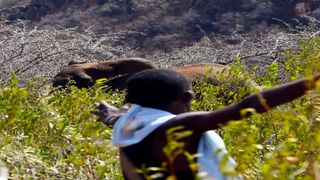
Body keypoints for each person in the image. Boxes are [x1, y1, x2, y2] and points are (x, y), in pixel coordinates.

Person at [92, 69, 320, 180]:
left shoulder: (131, 124)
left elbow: (120, 118)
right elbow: (249, 105)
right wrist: (313, 80)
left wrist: (113, 117)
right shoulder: (177, 128)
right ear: (187, 97)